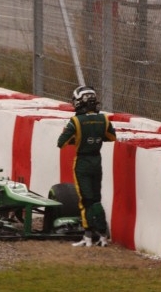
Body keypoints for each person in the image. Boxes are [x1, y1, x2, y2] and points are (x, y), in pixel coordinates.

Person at [57, 85, 117, 247]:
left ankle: (88, 236)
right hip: (97, 161)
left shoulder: (76, 121)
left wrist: (78, 139)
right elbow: (111, 137)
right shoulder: (104, 119)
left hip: (82, 162)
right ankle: (103, 235)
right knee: (96, 199)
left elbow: (61, 143)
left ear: (79, 102)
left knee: (85, 200)